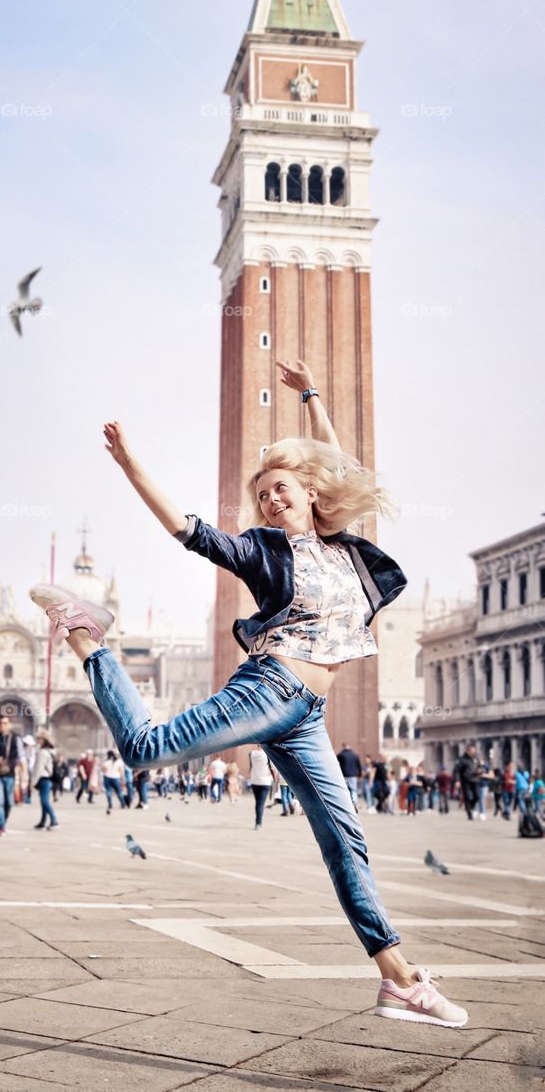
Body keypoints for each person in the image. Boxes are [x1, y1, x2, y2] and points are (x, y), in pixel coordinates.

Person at [29, 358, 468, 1027]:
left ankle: (401, 980)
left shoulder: (344, 548)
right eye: (261, 493)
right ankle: (87, 636)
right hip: (270, 686)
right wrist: (128, 463)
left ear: (310, 492)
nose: (269, 499)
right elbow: (187, 529)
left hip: (305, 714)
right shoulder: (265, 553)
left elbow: (336, 461)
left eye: (280, 488)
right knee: (147, 749)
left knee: (344, 839)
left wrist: (312, 395)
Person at [0, 713, 23, 836]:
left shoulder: (16, 738)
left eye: (5, 723)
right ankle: (1, 826)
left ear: (10, 725)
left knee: (9, 803)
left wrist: (25, 774)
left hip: (10, 774)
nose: (3, 726)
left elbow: (21, 757)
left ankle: (3, 821)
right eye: (0, 723)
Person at [32, 732, 58, 830]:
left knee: (44, 801)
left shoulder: (42, 752)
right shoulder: (49, 751)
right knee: (44, 801)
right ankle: (43, 822)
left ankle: (54, 821)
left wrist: (33, 781)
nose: (37, 740)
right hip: (48, 779)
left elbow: (39, 768)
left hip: (43, 778)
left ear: (43, 740)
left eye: (39, 738)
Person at [248, 743, 274, 829]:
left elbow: (250, 766)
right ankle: (258, 823)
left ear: (257, 745)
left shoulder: (251, 754)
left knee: (258, 802)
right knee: (261, 803)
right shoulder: (267, 754)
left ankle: (258, 822)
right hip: (265, 782)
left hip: (254, 780)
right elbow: (272, 768)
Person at [454, 744, 480, 821]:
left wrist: (480, 771)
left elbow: (480, 767)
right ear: (467, 750)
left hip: (475, 779)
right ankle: (469, 814)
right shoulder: (462, 759)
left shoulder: (476, 759)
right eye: (471, 750)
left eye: (474, 750)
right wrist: (457, 780)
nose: (473, 752)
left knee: (477, 796)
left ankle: (470, 807)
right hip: (465, 781)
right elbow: (457, 771)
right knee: (467, 797)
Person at [337, 743, 362, 812]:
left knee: (345, 789)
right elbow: (359, 766)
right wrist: (360, 775)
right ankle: (354, 803)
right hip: (353, 775)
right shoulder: (355, 755)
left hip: (344, 774)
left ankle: (346, 804)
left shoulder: (341, 755)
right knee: (354, 790)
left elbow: (337, 763)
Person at [102, 749, 126, 814]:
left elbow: (103, 770)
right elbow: (121, 771)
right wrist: (123, 779)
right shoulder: (119, 761)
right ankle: (123, 804)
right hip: (116, 778)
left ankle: (110, 804)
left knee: (108, 791)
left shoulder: (106, 762)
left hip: (107, 778)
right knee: (119, 792)